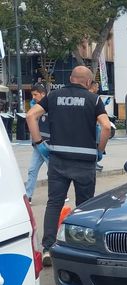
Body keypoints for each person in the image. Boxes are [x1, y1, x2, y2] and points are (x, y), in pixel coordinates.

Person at [26, 66, 111, 266]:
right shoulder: (94, 100)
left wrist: (39, 144)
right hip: (85, 161)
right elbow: (106, 126)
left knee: (54, 204)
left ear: (71, 78)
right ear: (89, 82)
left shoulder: (54, 96)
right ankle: (81, 248)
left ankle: (48, 248)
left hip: (58, 159)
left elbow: (31, 116)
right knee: (84, 208)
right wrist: (99, 149)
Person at [24, 84, 49, 202]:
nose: (33, 97)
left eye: (35, 94)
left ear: (43, 94)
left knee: (53, 173)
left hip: (48, 146)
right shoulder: (35, 107)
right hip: (38, 146)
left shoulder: (50, 106)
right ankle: (28, 196)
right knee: (32, 170)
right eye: (32, 95)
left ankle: (60, 195)